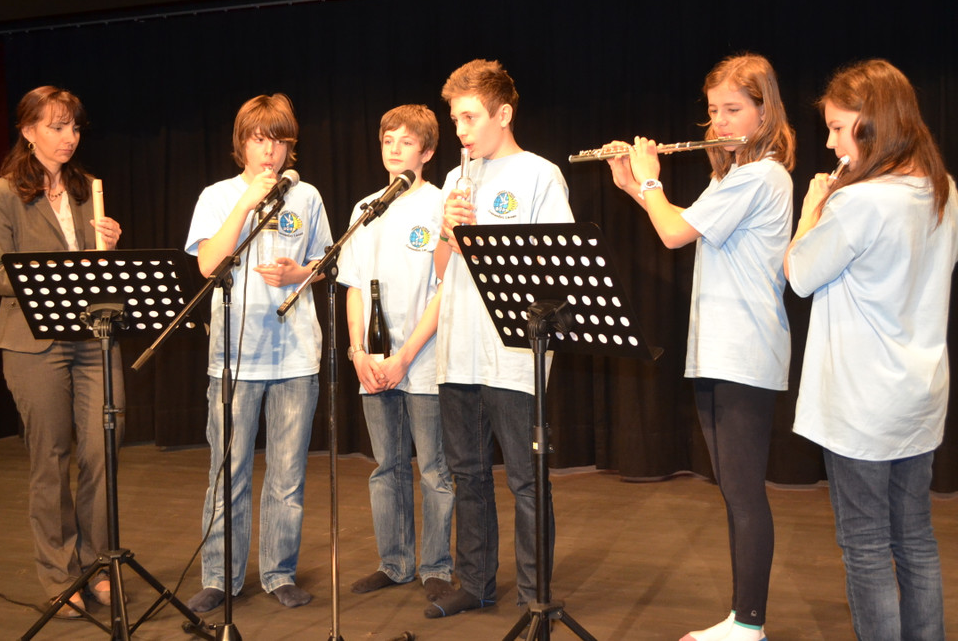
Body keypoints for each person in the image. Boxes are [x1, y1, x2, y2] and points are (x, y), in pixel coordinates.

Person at [606, 54, 795, 641]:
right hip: (719, 348)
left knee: (743, 493)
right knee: (734, 494)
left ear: (765, 111)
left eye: (733, 109)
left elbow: (672, 233)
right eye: (713, 111)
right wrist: (634, 187)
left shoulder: (762, 176)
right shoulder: (732, 175)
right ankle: (741, 620)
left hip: (745, 348)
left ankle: (750, 625)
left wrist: (650, 180)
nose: (719, 122)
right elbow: (685, 223)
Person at [785, 59, 956, 641]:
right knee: (915, 538)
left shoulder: (859, 203)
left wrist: (812, 209)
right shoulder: (943, 190)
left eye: (838, 128)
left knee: (865, 546)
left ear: (875, 123)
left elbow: (798, 273)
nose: (831, 142)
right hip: (917, 397)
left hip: (862, 405)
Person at [428, 59, 575, 620]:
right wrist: (448, 233)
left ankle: (535, 594)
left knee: (525, 479)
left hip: (512, 354)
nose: (460, 130)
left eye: (469, 117)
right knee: (467, 474)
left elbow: (557, 266)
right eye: (455, 119)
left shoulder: (540, 175)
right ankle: (475, 582)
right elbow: (441, 271)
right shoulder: (454, 179)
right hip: (458, 350)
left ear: (503, 114)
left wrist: (485, 238)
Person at [0, 86, 125, 617]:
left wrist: (107, 249)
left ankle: (97, 565)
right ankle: (60, 576)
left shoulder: (87, 189)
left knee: (102, 450)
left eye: (74, 127)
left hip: (92, 338)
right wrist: (52, 275)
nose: (69, 137)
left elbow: (97, 272)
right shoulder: (0, 194)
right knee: (51, 458)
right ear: (28, 130)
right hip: (32, 342)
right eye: (57, 127)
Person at [184, 93, 331, 613]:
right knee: (228, 472)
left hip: (295, 354)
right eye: (259, 139)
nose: (270, 152)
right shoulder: (218, 195)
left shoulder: (306, 196)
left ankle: (278, 572)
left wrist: (299, 274)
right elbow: (207, 264)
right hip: (234, 356)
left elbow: (324, 263)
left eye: (280, 141)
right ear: (242, 143)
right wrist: (246, 205)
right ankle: (219, 576)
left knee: (287, 476)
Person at [338, 104, 455, 603]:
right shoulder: (365, 208)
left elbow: (446, 292)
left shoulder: (440, 203)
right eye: (388, 140)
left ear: (427, 152)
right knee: (386, 466)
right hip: (374, 364)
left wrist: (405, 356)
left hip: (423, 360)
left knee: (433, 470)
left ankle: (437, 566)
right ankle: (395, 562)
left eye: (406, 141)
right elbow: (353, 285)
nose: (394, 149)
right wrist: (357, 351)